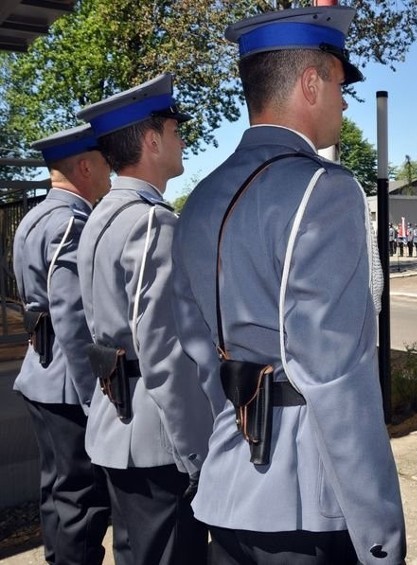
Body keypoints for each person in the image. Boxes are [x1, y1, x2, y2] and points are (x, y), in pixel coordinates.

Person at [170, 6, 406, 564]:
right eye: (340, 84)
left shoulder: (202, 197)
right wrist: (380, 536)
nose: (345, 102)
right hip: (304, 502)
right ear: (310, 82)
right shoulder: (324, 189)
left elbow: (198, 353)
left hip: (229, 489)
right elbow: (338, 377)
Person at [76, 73, 217, 565]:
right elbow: (164, 352)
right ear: (152, 140)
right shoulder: (152, 221)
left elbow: (80, 328)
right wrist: (197, 451)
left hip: (115, 427)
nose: (183, 141)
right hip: (158, 441)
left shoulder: (101, 213)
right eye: (176, 131)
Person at [13, 125, 112, 565]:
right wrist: (97, 398)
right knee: (82, 502)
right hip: (69, 384)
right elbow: (73, 319)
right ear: (86, 166)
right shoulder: (73, 223)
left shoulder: (33, 217)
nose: (110, 174)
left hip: (39, 373)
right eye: (107, 164)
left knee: (56, 492)